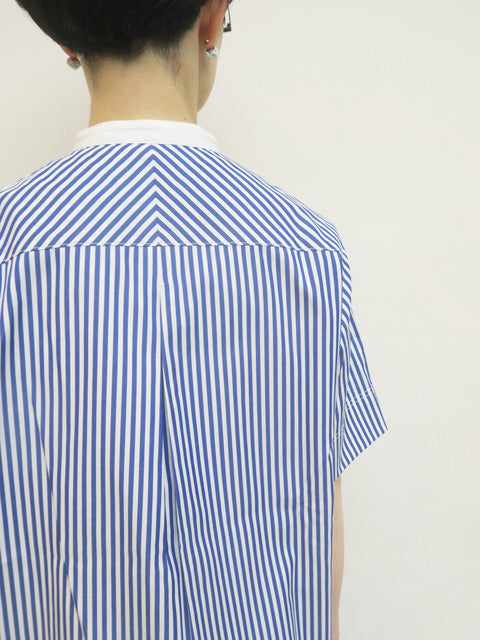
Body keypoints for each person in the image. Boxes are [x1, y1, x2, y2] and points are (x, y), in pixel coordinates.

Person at [0, 1, 389, 638]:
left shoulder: (9, 249)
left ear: (64, 40)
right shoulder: (308, 251)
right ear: (211, 18)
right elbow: (323, 539)